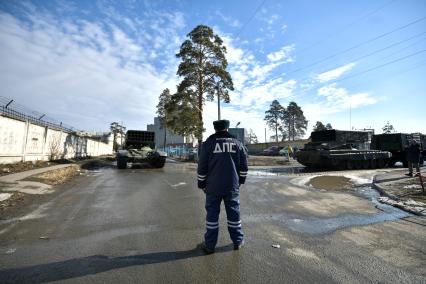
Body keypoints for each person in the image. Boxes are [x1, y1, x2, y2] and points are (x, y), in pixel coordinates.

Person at [197, 119, 248, 254]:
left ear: (215, 129)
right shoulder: (237, 143)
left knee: (212, 216)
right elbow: (244, 167)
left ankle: (210, 246)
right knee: (234, 214)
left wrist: (201, 184)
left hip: (212, 187)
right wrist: (241, 181)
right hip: (232, 186)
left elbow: (202, 167)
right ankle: (237, 241)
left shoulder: (208, 144)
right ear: (227, 129)